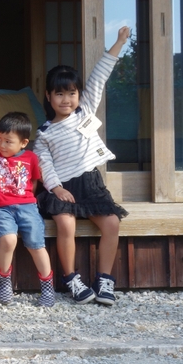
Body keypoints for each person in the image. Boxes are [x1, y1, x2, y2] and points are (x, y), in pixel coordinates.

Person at [34, 26, 131, 306]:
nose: (67, 100)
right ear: (49, 96)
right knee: (65, 224)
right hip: (64, 187)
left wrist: (119, 43)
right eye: (60, 94)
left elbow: (100, 75)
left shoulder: (85, 110)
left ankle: (104, 280)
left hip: (90, 183)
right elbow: (45, 166)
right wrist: (56, 188)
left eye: (72, 93)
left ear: (79, 95)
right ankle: (72, 279)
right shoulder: (44, 133)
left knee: (112, 223)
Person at [0, 104, 55, 306]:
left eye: (8, 141)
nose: (2, 145)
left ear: (23, 143)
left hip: (27, 206)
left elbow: (34, 182)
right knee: (9, 240)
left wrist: (27, 199)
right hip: (0, 208)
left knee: (37, 244)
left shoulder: (31, 158)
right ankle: (4, 281)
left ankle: (47, 287)